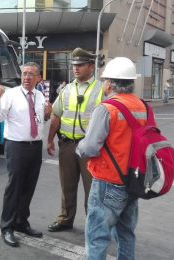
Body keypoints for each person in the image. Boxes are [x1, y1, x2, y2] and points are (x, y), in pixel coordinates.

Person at [76, 57, 147, 259]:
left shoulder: (107, 108)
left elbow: (90, 147)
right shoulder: (143, 106)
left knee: (97, 237)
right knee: (126, 235)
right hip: (134, 181)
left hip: (108, 182)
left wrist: (78, 148)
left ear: (109, 84)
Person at [0, 62, 52, 247]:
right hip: (16, 146)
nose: (26, 77)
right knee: (14, 187)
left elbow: (40, 119)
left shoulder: (40, 95)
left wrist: (48, 114)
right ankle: (7, 227)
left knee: (29, 187)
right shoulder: (11, 94)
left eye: (31, 74)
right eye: (24, 73)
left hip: (35, 146)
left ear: (38, 78)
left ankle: (21, 223)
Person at [46, 47, 103, 232]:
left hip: (89, 148)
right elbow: (56, 115)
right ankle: (65, 219)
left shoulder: (101, 89)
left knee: (92, 189)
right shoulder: (67, 89)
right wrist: (49, 140)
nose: (75, 68)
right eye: (74, 65)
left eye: (80, 65)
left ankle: (93, 224)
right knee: (67, 185)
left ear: (91, 66)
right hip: (67, 145)